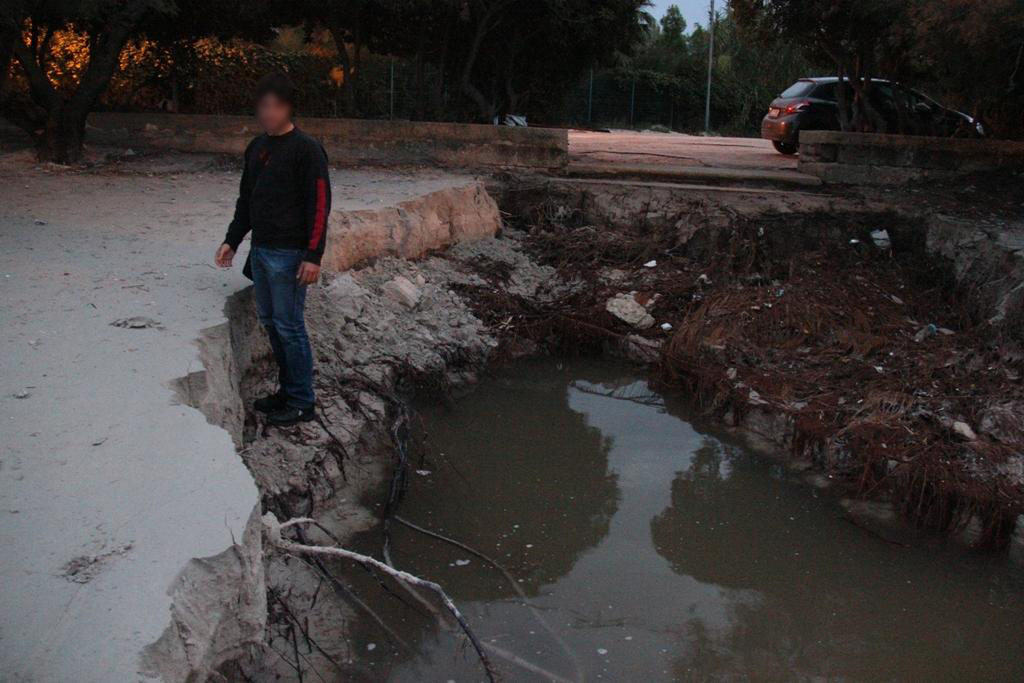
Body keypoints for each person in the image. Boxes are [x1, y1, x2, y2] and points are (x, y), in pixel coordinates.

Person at [215, 72, 331, 426]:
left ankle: (301, 402)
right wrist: (232, 240)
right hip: (262, 251)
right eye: (263, 106)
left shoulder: (307, 149)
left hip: (290, 255)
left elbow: (320, 205)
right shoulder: (257, 148)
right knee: (271, 322)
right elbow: (247, 199)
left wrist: (313, 256)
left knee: (289, 325)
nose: (268, 113)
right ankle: (287, 392)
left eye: (276, 106)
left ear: (289, 108)